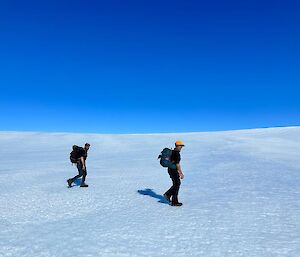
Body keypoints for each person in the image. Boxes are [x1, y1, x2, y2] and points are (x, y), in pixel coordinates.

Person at [164, 140, 185, 206]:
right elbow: (177, 164)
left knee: (176, 184)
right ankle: (174, 201)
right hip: (173, 170)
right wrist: (181, 173)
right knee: (177, 184)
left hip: (170, 170)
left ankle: (168, 194)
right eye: (180, 146)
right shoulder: (176, 153)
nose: (181, 147)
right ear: (177, 146)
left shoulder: (173, 152)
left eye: (182, 146)